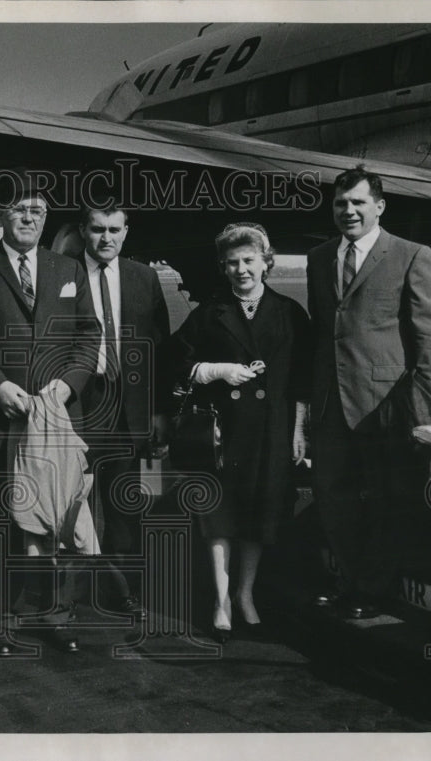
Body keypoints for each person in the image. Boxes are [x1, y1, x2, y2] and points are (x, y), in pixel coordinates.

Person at [0, 170, 99, 655]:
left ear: (46, 217)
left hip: (57, 423)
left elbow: (88, 337)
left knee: (60, 518)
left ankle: (57, 614)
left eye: (37, 209)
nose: (29, 215)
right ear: (0, 215)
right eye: (19, 208)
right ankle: (5, 619)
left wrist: (66, 387)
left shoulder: (68, 269)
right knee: (5, 521)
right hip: (2, 421)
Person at [306, 164, 431, 619]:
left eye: (358, 203)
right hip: (332, 402)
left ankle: (370, 589)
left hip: (386, 404)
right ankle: (355, 577)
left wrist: (426, 410)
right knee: (333, 497)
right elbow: (325, 332)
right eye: (340, 204)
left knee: (387, 500)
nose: (348, 211)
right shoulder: (319, 257)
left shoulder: (411, 255)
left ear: (379, 206)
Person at [165, 223, 310, 642]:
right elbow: (175, 358)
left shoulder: (288, 313)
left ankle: (245, 594)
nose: (241, 270)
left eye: (249, 260)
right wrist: (212, 371)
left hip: (272, 429)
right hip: (225, 433)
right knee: (221, 516)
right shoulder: (211, 312)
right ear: (222, 268)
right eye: (232, 263)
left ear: (267, 263)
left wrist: (298, 431)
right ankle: (222, 599)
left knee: (260, 515)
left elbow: (302, 380)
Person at [69, 201, 170, 618]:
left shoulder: (143, 277)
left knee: (130, 505)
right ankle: (67, 593)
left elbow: (160, 349)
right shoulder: (62, 271)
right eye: (97, 229)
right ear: (83, 231)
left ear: (126, 232)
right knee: (71, 505)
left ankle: (123, 590)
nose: (106, 238)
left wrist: (161, 411)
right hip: (79, 406)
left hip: (132, 414)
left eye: (114, 229)